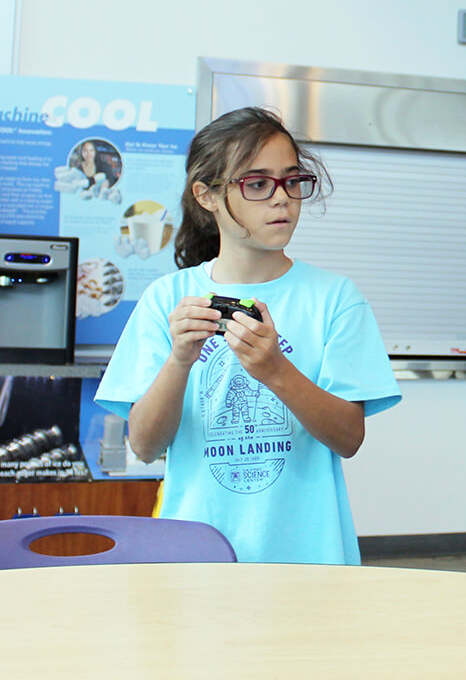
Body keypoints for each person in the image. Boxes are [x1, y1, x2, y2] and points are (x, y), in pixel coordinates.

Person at [95, 107, 401, 564]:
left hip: (309, 559)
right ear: (207, 195)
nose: (282, 199)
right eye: (256, 184)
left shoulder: (335, 298)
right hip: (196, 558)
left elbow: (349, 438)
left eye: (292, 181)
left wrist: (276, 370)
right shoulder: (168, 299)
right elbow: (144, 445)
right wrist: (180, 361)